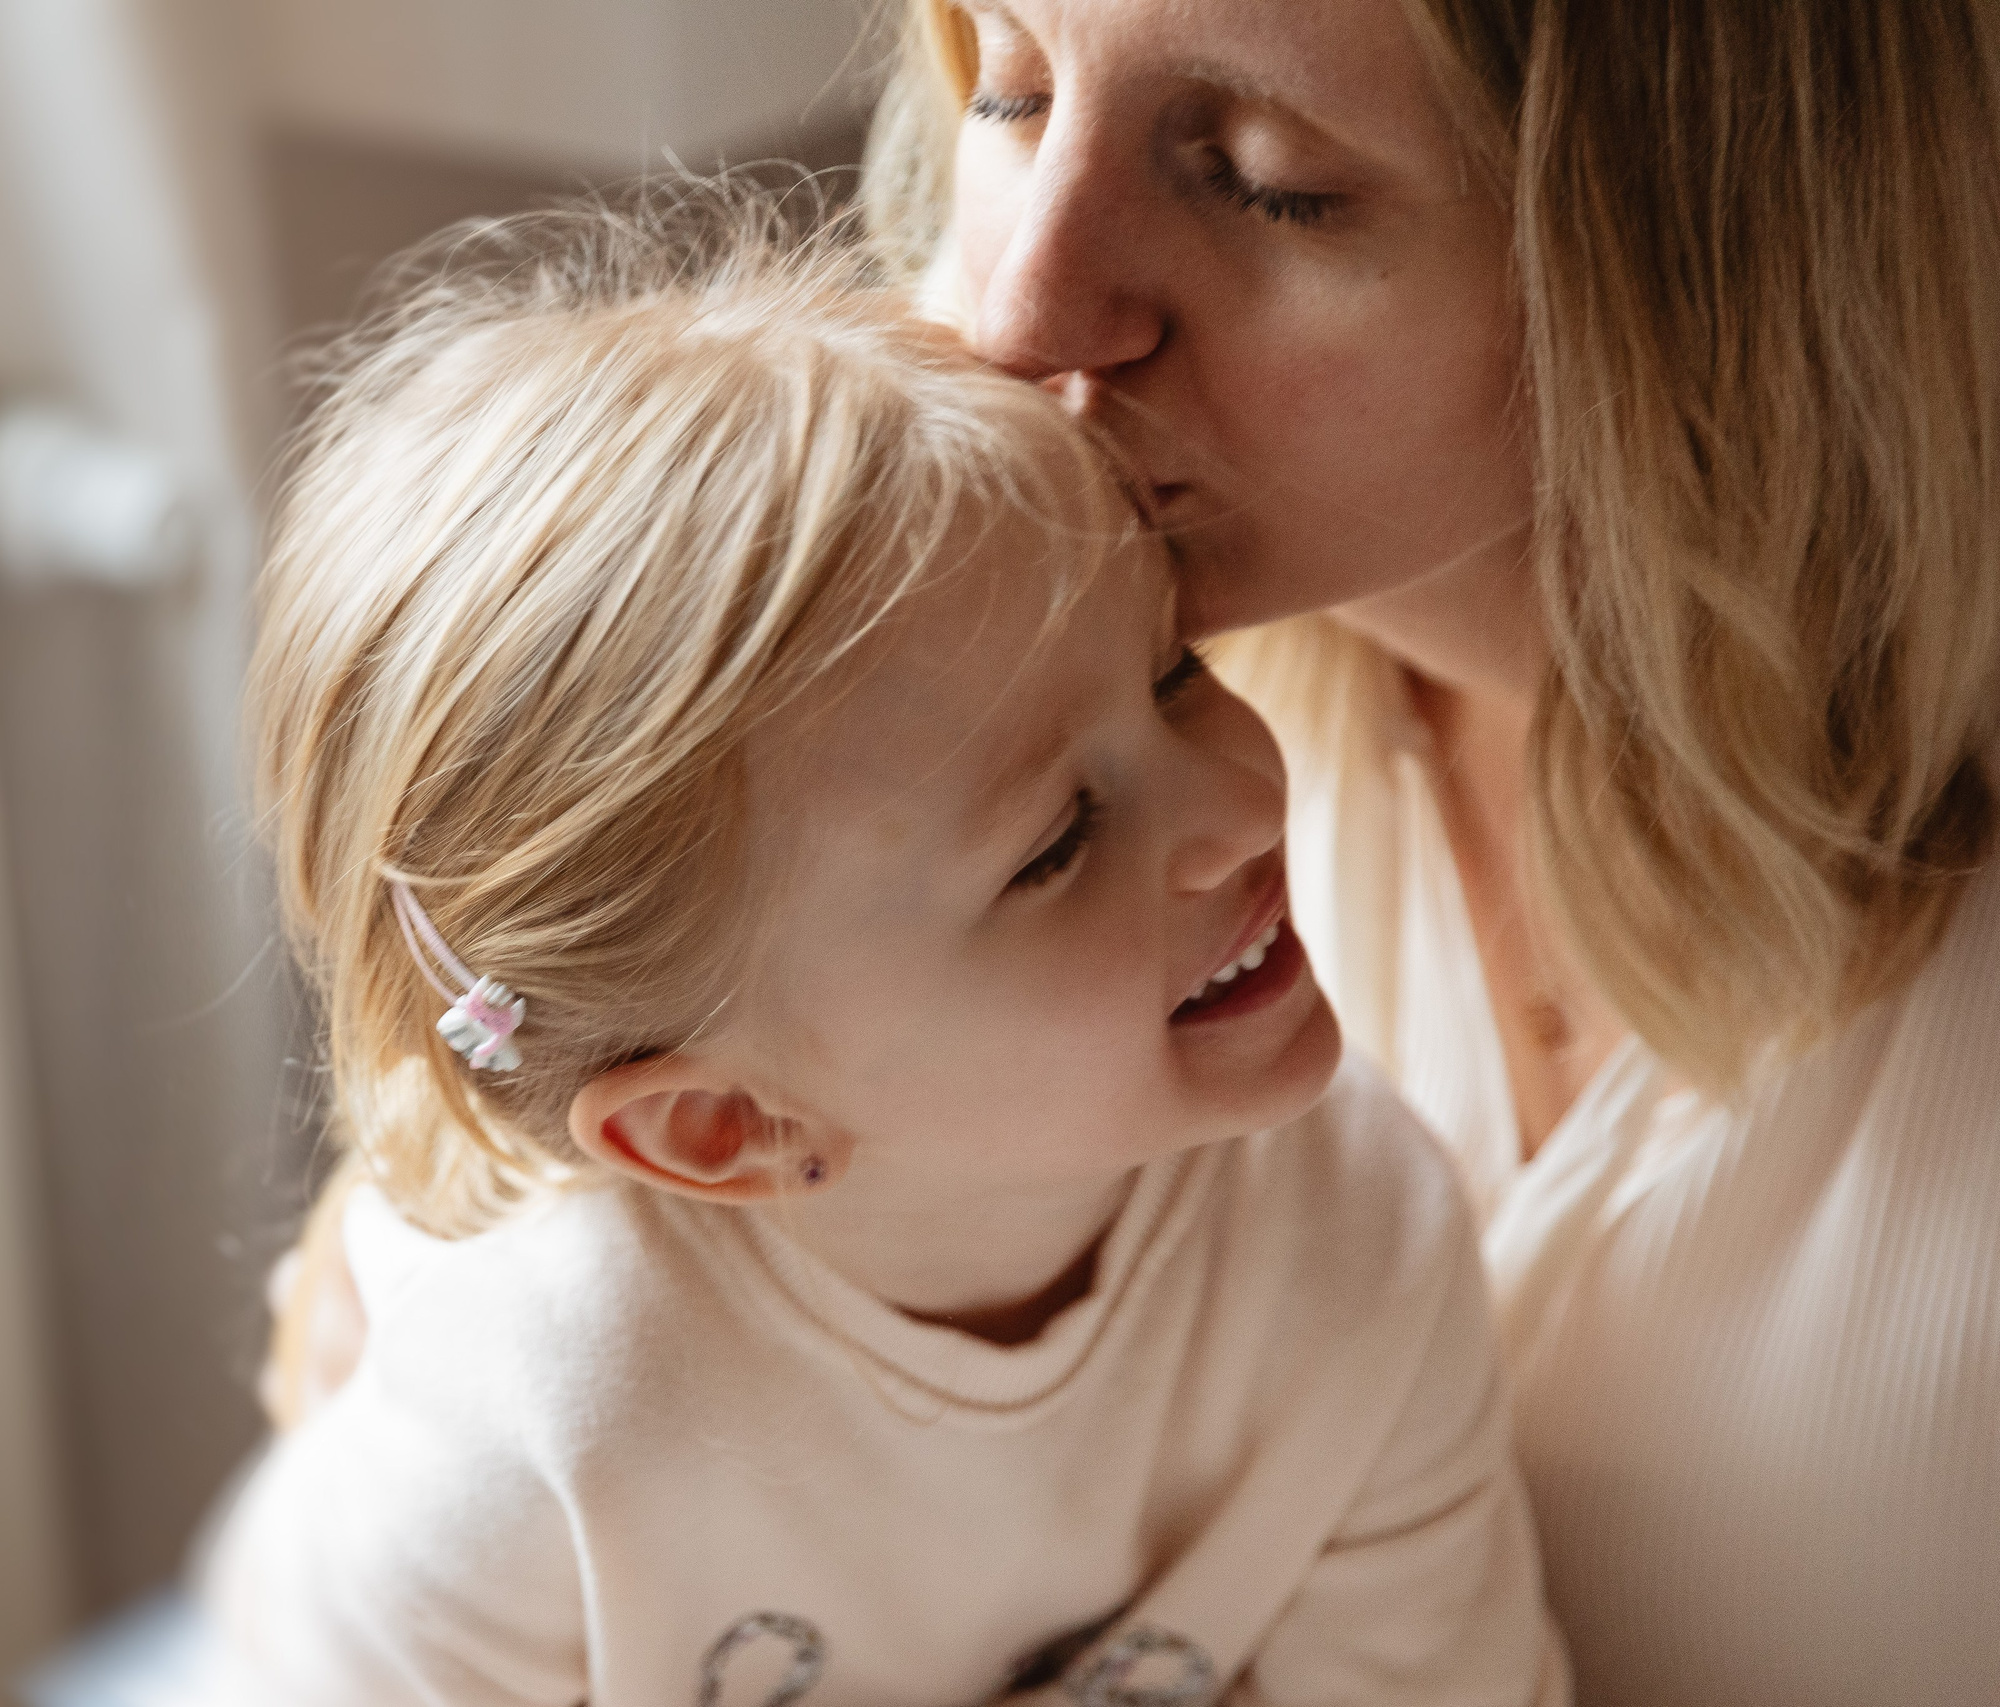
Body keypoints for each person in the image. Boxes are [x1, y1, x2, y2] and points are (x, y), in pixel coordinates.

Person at [204, 201, 1566, 1705]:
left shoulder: (1357, 1239)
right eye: (1055, 841)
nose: (1243, 802)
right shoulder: (539, 1401)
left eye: (1175, 673)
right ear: (728, 1123)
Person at [859, 2, 1996, 1703]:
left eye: (1267, 183)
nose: (1024, 312)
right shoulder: (927, 648)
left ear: (1717, 253)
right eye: (1014, 86)